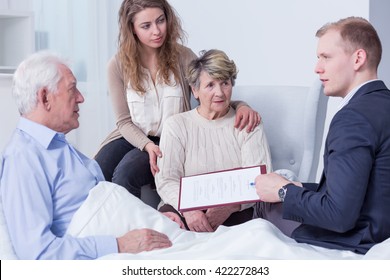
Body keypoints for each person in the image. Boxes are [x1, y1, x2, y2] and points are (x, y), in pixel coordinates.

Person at [0, 51, 176, 260]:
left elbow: (107, 208)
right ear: (45, 97)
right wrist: (118, 244)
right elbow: (37, 253)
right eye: (72, 88)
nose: (81, 98)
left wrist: (150, 220)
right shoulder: (24, 159)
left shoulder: (58, 147)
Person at [94, 0, 260, 200]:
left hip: (169, 140)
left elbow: (207, 95)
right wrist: (146, 145)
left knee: (125, 175)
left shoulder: (183, 57)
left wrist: (241, 105)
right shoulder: (117, 64)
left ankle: (133, 229)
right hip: (131, 135)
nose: (157, 31)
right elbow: (123, 122)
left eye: (160, 21)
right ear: (132, 29)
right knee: (95, 171)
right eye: (146, 26)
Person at [254, 16, 390, 254]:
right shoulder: (383, 104)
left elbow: (339, 215)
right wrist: (297, 186)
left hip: (360, 237)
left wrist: (282, 191)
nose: (317, 68)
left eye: (326, 57)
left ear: (358, 58)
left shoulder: (352, 118)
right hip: (381, 225)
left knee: (264, 206)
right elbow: (364, 188)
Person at [155, 49, 272, 232]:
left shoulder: (248, 122)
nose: (220, 93)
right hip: (184, 209)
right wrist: (189, 209)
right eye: (210, 85)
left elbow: (261, 181)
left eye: (225, 83)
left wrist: (230, 206)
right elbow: (166, 179)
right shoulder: (176, 125)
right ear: (195, 90)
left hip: (237, 211)